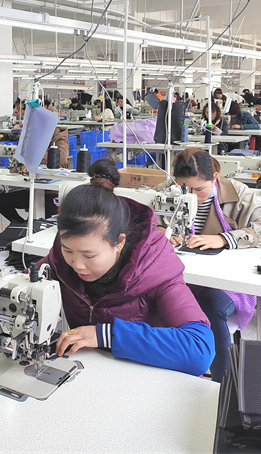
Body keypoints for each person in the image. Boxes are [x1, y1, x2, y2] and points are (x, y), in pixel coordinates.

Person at [37, 159, 214, 376]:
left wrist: (105, 335)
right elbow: (24, 291)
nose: (77, 264)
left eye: (89, 255)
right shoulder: (60, 260)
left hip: (147, 376)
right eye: (68, 250)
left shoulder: (155, 270)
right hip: (95, 374)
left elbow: (200, 349)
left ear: (119, 242)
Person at [161, 148, 261, 382]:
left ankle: (223, 383)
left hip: (224, 280)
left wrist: (225, 239)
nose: (192, 196)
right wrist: (158, 229)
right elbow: (144, 216)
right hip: (182, 275)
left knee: (211, 304)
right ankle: (174, 374)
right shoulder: (168, 190)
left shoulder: (238, 193)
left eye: (199, 189)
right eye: (185, 189)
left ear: (214, 177)